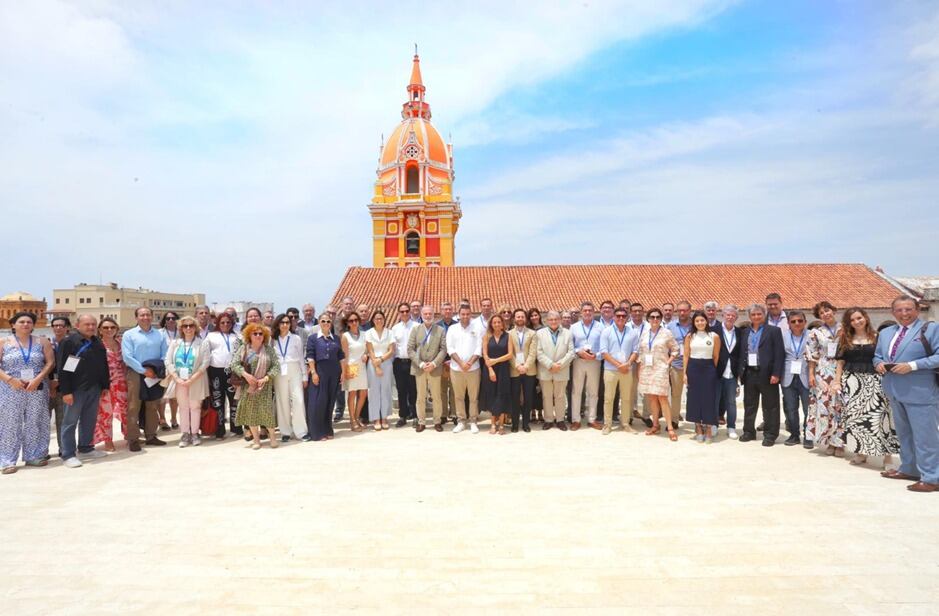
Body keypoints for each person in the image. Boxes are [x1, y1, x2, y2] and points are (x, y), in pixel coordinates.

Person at [874, 295, 939, 492]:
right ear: (893, 312)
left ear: (917, 310)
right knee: (905, 434)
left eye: (909, 309)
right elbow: (877, 356)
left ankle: (932, 477)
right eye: (900, 310)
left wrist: (912, 365)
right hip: (894, 390)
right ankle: (909, 468)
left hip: (921, 392)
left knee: (925, 437)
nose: (904, 314)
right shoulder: (886, 333)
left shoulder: (931, 329)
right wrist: (879, 364)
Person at [833, 307, 899, 467]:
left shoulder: (878, 337)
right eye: (853, 320)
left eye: (859, 318)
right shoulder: (844, 338)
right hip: (852, 382)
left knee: (880, 418)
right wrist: (837, 381)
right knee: (856, 420)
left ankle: (887, 456)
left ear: (866, 318)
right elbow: (840, 362)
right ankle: (861, 453)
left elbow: (885, 358)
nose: (857, 322)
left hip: (875, 381)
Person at [0, 312, 55, 473]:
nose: (26, 324)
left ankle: (34, 455)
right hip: (11, 387)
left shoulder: (42, 341)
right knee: (10, 422)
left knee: (36, 420)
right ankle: (7, 460)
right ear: (13, 325)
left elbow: (50, 362)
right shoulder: (3, 342)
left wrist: (38, 378)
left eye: (29, 322)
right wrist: (10, 380)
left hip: (36, 387)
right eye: (22, 321)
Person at [54, 314, 110, 467]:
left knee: (88, 420)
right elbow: (63, 369)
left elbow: (103, 364)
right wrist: (66, 391)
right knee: (69, 422)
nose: (91, 327)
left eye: (93, 324)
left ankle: (86, 448)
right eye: (87, 324)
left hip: (94, 388)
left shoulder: (97, 341)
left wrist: (105, 385)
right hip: (75, 389)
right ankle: (68, 454)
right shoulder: (69, 342)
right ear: (77, 326)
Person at [121, 307, 168, 451]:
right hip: (136, 373)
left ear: (152, 316)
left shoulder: (160, 335)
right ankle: (133, 439)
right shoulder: (129, 335)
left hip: (154, 374)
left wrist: (154, 370)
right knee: (134, 406)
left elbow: (165, 354)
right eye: (142, 315)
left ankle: (151, 435)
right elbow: (127, 357)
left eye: (148, 315)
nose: (145, 317)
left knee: (152, 405)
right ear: (136, 317)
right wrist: (143, 370)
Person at [737, 304, 785, 446]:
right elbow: (742, 353)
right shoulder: (745, 332)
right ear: (749, 316)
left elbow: (779, 354)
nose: (756, 317)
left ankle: (770, 434)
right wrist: (741, 372)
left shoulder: (774, 331)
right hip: (750, 372)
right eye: (753, 315)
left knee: (770, 405)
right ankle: (749, 432)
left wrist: (776, 373)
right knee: (749, 404)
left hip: (768, 374)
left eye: (759, 314)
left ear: (764, 315)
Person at [229, 323, 279, 450]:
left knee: (267, 412)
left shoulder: (268, 349)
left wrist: (266, 378)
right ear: (249, 335)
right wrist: (246, 375)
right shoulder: (244, 349)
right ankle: (256, 440)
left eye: (260, 334)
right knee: (251, 414)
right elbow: (234, 364)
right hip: (248, 386)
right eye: (255, 333)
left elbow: (276, 367)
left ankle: (273, 438)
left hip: (264, 387)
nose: (258, 336)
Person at [164, 316, 210, 448]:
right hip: (179, 381)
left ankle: (195, 433)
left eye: (191, 325)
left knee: (195, 407)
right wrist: (176, 377)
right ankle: (185, 433)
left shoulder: (202, 343)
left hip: (196, 379)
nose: (188, 328)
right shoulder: (175, 343)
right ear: (181, 328)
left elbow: (205, 362)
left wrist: (192, 378)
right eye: (185, 326)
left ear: (195, 328)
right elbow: (168, 361)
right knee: (183, 408)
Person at [806, 301, 844, 455]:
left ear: (833, 310)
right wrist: (811, 374)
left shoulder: (845, 328)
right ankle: (828, 441)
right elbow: (811, 354)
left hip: (841, 369)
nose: (825, 314)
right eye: (821, 313)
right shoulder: (816, 332)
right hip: (822, 371)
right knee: (825, 406)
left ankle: (840, 442)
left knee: (840, 406)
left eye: (827, 310)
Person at [637, 308, 680, 440]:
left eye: (657, 317)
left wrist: (668, 362)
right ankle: (655, 425)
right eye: (652, 317)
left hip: (660, 369)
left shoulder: (666, 333)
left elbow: (676, 349)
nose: (655, 319)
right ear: (648, 319)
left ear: (661, 319)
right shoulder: (644, 334)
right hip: (646, 369)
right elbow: (641, 352)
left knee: (662, 398)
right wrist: (639, 369)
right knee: (652, 398)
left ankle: (670, 428)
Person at [599, 307, 639, 435]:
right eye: (618, 316)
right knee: (608, 398)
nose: (621, 318)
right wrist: (619, 365)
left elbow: (635, 351)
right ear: (614, 317)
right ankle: (607, 424)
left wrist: (627, 364)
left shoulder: (632, 333)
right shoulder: (606, 332)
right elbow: (604, 352)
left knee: (626, 398)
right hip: (610, 370)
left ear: (627, 318)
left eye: (623, 316)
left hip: (627, 369)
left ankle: (625, 423)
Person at [408, 305, 448, 432]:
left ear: (434, 315)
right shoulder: (415, 330)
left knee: (437, 396)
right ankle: (421, 422)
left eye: (430, 314)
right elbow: (410, 349)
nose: (428, 316)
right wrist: (421, 364)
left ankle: (437, 421)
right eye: (425, 314)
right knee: (420, 397)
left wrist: (434, 364)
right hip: (420, 368)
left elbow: (443, 349)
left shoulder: (440, 330)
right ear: (421, 315)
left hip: (434, 368)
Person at [683, 311, 720, 444]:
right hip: (693, 367)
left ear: (706, 321)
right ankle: (698, 428)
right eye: (697, 321)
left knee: (709, 398)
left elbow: (716, 356)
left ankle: (709, 428)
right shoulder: (689, 337)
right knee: (694, 398)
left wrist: (710, 369)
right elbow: (686, 356)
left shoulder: (714, 336)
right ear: (694, 322)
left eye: (702, 320)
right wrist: (685, 374)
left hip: (708, 368)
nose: (700, 323)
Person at [305, 314, 343, 442]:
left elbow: (341, 357)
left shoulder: (336, 339)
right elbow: (310, 356)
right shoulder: (313, 338)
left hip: (334, 372)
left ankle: (328, 429)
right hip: (320, 371)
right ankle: (317, 432)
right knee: (318, 402)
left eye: (328, 321)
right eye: (323, 321)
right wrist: (314, 373)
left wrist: (343, 373)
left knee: (330, 401)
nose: (326, 323)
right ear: (319, 323)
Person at [447, 304, 483, 434]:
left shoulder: (477, 328)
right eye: (463, 314)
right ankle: (461, 421)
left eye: (468, 314)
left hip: (473, 368)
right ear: (459, 314)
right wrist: (461, 363)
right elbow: (450, 348)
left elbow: (479, 348)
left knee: (473, 397)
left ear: (471, 314)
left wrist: (469, 363)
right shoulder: (452, 329)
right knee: (458, 396)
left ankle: (473, 421)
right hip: (456, 368)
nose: (465, 316)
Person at [536, 311, 575, 430]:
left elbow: (571, 352)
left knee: (560, 396)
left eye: (556, 319)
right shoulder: (539, 333)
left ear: (560, 320)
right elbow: (539, 352)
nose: (553, 321)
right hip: (546, 369)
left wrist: (560, 365)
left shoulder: (567, 333)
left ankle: (560, 419)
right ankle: (548, 419)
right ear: (546, 321)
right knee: (546, 396)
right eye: (551, 319)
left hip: (561, 370)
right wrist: (550, 364)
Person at [272, 313, 307, 442]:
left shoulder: (296, 338)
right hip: (279, 372)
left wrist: (305, 376)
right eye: (282, 322)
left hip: (294, 370)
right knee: (282, 402)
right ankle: (285, 431)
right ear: (278, 324)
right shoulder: (273, 339)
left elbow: (302, 359)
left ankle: (301, 431)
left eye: (287, 322)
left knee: (298, 400)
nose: (285, 325)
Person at [94, 317, 128, 452]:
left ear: (117, 329)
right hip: (106, 385)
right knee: (106, 413)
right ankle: (108, 440)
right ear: (100, 330)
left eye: (112, 327)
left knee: (126, 412)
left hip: (124, 382)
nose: (109, 330)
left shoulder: (122, 343)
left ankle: (129, 436)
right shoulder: (97, 345)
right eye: (105, 328)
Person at [205, 313, 240, 439]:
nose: (225, 325)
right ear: (218, 323)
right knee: (218, 401)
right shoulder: (211, 336)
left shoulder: (236, 336)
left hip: (232, 372)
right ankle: (219, 430)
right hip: (216, 372)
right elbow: (205, 354)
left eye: (228, 322)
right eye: (222, 322)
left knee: (234, 400)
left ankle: (236, 428)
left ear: (232, 324)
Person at [570, 301, 603, 430]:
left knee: (594, 391)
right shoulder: (574, 327)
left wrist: (596, 355)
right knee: (576, 391)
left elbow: (604, 347)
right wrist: (579, 352)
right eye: (585, 310)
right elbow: (570, 346)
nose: (588, 312)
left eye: (590, 310)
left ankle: (592, 419)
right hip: (579, 361)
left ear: (594, 312)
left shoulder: (600, 327)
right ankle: (576, 420)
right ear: (581, 313)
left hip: (594, 362)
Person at [781, 310, 811, 446]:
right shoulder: (782, 336)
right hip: (788, 375)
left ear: (805, 322)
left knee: (808, 408)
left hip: (806, 375)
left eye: (800, 320)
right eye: (793, 321)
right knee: (791, 408)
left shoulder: (812, 335)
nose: (797, 323)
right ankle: (794, 435)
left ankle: (808, 435)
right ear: (788, 323)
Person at [482, 314, 515, 435]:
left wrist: (495, 360)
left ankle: (501, 425)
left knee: (502, 395)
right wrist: (490, 369)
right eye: (494, 322)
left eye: (499, 322)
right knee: (492, 396)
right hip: (490, 369)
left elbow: (510, 354)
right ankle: (492, 424)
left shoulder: (508, 336)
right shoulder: (486, 337)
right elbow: (485, 355)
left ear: (502, 324)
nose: (496, 324)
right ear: (491, 324)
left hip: (503, 370)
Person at [715, 305, 742, 440]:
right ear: (723, 316)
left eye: (733, 315)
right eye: (728, 315)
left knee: (731, 402)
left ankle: (731, 427)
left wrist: (739, 375)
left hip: (732, 373)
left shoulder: (739, 332)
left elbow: (740, 354)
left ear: (736, 318)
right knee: (714, 400)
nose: (730, 317)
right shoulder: (715, 330)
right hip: (717, 371)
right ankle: (713, 424)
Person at [365, 310, 395, 430]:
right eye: (376, 318)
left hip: (386, 363)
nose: (379, 320)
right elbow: (370, 350)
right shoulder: (368, 333)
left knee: (386, 390)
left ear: (384, 320)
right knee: (374, 391)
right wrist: (376, 365)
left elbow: (391, 350)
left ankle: (384, 417)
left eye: (381, 318)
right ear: (373, 320)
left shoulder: (390, 332)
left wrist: (381, 360)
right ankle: (376, 418)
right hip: (373, 363)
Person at [509, 309, 537, 433]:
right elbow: (509, 354)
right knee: (514, 397)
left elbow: (533, 352)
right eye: (517, 317)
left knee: (528, 397)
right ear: (514, 318)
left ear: (525, 318)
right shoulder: (508, 334)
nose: (520, 319)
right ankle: (515, 424)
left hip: (529, 370)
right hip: (514, 370)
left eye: (522, 316)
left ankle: (526, 423)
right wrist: (517, 366)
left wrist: (525, 366)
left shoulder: (532, 333)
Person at [666, 300, 693, 430]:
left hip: (694, 365)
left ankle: (697, 420)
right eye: (680, 310)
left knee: (695, 394)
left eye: (685, 310)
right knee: (676, 394)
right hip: (676, 365)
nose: (682, 313)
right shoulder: (670, 326)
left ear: (689, 310)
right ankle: (674, 419)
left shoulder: (696, 324)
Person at [47, 316, 71, 458]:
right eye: (55, 325)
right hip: (46, 387)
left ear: (67, 327)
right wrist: (51, 383)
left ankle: (64, 448)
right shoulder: (46, 344)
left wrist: (59, 381)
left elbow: (73, 364)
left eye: (61, 325)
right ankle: (42, 451)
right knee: (44, 421)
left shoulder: (73, 343)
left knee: (63, 420)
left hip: (65, 387)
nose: (58, 328)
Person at [340, 312, 369, 431]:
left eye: (356, 320)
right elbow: (344, 355)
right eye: (351, 320)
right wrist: (343, 371)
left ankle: (357, 417)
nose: (354, 322)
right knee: (352, 393)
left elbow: (368, 349)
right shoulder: (345, 336)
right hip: (351, 366)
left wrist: (366, 355)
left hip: (362, 366)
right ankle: (352, 420)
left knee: (363, 393)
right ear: (347, 323)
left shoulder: (364, 334)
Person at [391, 302, 417, 427]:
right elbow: (392, 348)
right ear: (399, 313)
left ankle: (416, 415)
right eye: (402, 311)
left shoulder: (417, 326)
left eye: (407, 311)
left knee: (414, 390)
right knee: (401, 390)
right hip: (399, 362)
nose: (405, 313)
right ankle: (403, 416)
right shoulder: (395, 328)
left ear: (410, 311)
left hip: (414, 362)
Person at [158, 311, 180, 430]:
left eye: (173, 318)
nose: (171, 320)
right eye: (168, 318)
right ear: (164, 321)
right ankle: (162, 419)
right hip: (163, 368)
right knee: (162, 396)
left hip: (177, 368)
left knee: (174, 395)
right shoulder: (159, 333)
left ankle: (174, 418)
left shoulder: (181, 333)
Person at [627, 302, 648, 425]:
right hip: (631, 360)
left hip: (646, 361)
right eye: (634, 311)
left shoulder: (649, 326)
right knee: (630, 389)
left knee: (646, 389)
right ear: (631, 312)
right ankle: (629, 415)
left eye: (639, 310)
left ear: (643, 312)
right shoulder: (626, 326)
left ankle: (646, 415)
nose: (637, 313)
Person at [437, 302, 457, 425]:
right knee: (442, 390)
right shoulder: (436, 326)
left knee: (455, 390)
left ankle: (454, 414)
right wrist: (442, 360)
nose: (448, 311)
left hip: (455, 362)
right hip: (441, 363)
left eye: (450, 309)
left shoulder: (457, 325)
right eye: (445, 309)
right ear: (441, 312)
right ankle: (443, 414)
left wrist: (453, 359)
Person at [527, 307, 545, 424]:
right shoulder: (527, 330)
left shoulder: (545, 329)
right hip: (531, 362)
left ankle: (540, 412)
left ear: (539, 316)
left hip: (542, 361)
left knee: (542, 388)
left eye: (536, 315)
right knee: (532, 388)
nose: (534, 317)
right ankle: (532, 411)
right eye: (532, 316)